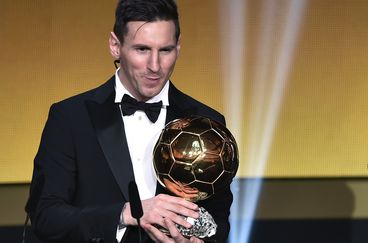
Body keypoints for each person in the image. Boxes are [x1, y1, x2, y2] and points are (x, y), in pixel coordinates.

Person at [26, 0, 234, 242]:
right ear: (115, 46)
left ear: (178, 47)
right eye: (142, 49)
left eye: (165, 50)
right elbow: (45, 217)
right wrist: (125, 214)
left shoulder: (207, 122)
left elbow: (218, 221)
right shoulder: (71, 117)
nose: (155, 66)